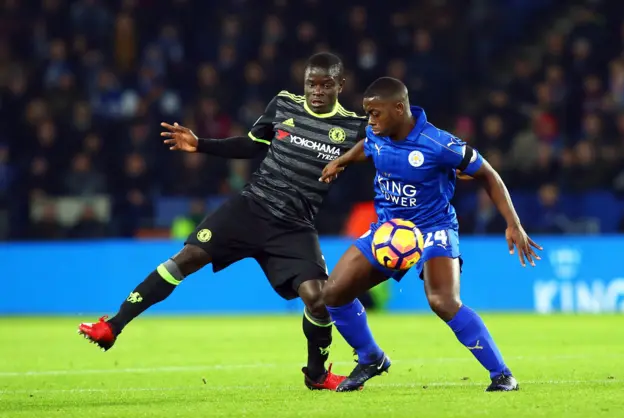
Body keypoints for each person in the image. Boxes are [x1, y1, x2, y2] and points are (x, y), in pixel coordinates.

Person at [78, 53, 368, 391]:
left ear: (340, 86)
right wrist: (200, 144)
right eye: (311, 84)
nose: (316, 91)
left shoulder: (353, 127)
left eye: (326, 85)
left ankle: (316, 375)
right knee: (186, 258)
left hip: (294, 224)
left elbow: (388, 149)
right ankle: (113, 326)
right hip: (250, 207)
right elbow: (250, 145)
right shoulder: (284, 104)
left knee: (318, 298)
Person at [319, 77, 542, 392]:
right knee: (333, 294)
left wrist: (513, 223)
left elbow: (487, 173)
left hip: (433, 228)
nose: (370, 121)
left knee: (443, 301)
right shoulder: (376, 133)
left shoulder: (438, 143)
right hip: (390, 232)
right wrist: (341, 161)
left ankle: (502, 374)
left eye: (376, 113)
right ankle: (370, 358)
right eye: (367, 113)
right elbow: (367, 146)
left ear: (399, 108)